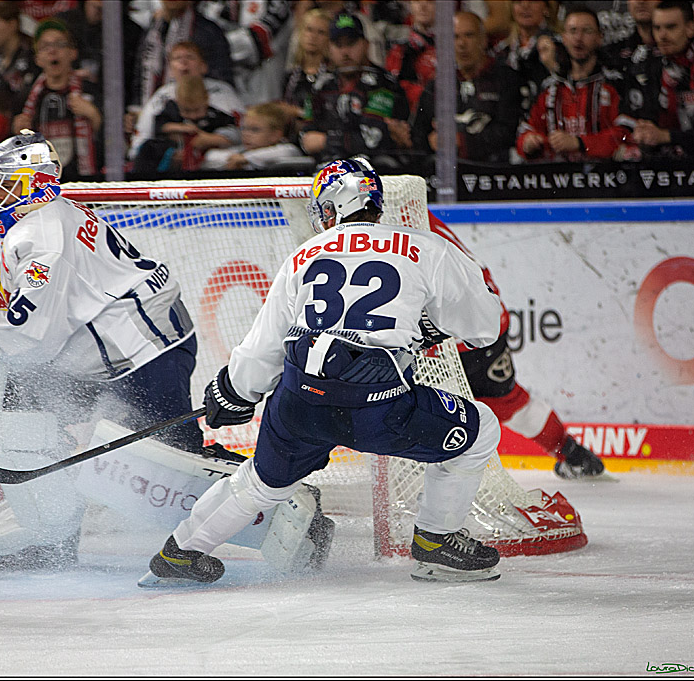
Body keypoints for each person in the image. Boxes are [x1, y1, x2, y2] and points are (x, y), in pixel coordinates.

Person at [140, 158, 505, 586]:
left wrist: (235, 391)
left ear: (331, 207)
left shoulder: (303, 255)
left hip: (300, 403)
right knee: (479, 430)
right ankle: (436, 544)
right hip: (380, 408)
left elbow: (265, 345)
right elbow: (484, 328)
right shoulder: (428, 249)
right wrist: (434, 324)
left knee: (260, 481)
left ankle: (179, 553)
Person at [0, 132, 234, 568]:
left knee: (175, 464)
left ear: (32, 184)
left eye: (5, 181)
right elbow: (10, 293)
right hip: (97, 346)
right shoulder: (20, 215)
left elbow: (32, 338)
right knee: (22, 418)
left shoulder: (45, 237)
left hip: (145, 347)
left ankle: (274, 504)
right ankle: (53, 542)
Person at [424, 214, 607, 479]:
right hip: (487, 314)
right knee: (508, 403)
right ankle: (573, 454)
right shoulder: (410, 207)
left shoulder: (381, 220)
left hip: (462, 325)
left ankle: (431, 479)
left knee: (409, 403)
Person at [516, 6, 635, 162]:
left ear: (600, 37)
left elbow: (627, 134)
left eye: (587, 31)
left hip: (606, 178)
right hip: (558, 179)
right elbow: (526, 130)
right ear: (564, 38)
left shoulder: (615, 83)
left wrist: (579, 143)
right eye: (573, 31)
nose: (578, 38)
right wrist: (528, 142)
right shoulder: (550, 87)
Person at [299, 12, 411, 169]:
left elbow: (370, 141)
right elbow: (306, 139)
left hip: (372, 173)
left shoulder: (384, 85)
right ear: (329, 48)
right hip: (324, 172)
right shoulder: (321, 86)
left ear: (366, 44)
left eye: (351, 44)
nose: (345, 52)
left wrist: (325, 141)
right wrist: (342, 139)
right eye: (338, 45)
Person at [412, 12, 523, 164]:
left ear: (483, 40)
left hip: (493, 169)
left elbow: (509, 132)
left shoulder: (506, 79)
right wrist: (431, 141)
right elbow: (419, 133)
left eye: (469, 35)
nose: (462, 44)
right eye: (455, 37)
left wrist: (462, 142)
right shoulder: (438, 84)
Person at [11, 19, 103, 180]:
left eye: (60, 45)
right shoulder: (26, 98)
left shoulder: (91, 91)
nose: (52, 51)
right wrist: (17, 131)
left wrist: (93, 114)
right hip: (41, 183)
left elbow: (112, 142)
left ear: (73, 53)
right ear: (37, 58)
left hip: (84, 180)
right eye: (45, 47)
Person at [128, 41, 244, 163]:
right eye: (177, 58)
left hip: (218, 158)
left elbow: (240, 129)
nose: (183, 62)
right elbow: (145, 135)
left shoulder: (222, 91)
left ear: (203, 66)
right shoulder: (162, 95)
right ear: (171, 70)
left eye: (190, 57)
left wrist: (210, 139)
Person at [628, 0, 694, 159]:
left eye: (671, 27)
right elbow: (648, 116)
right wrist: (644, 130)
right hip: (669, 166)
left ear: (690, 28)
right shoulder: (651, 65)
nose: (662, 35)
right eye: (657, 28)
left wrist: (668, 136)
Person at [133, 75, 238, 173]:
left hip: (202, 160)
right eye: (186, 111)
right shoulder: (171, 110)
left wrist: (207, 139)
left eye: (196, 110)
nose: (192, 116)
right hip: (169, 156)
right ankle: (141, 184)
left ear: (206, 100)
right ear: (177, 102)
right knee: (148, 148)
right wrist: (182, 129)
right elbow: (160, 126)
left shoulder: (214, 115)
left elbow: (233, 134)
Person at [201, 102, 308, 171]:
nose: (246, 134)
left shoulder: (287, 150)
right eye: (244, 129)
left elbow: (287, 152)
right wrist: (234, 159)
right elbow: (211, 156)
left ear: (275, 135)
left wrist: (246, 159)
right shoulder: (240, 152)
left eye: (255, 130)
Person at [385, 0, 438, 111]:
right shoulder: (398, 50)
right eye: (417, 0)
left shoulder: (453, 45)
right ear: (410, 5)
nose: (423, 6)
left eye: (430, 1)